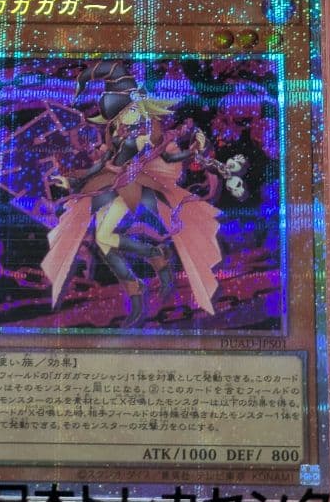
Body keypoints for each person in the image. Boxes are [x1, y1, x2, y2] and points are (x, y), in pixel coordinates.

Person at [42, 60, 223, 325]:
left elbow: (169, 158)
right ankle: (145, 276)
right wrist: (71, 180)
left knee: (103, 236)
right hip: (108, 183)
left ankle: (152, 260)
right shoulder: (115, 131)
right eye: (118, 114)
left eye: (127, 110)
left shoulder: (148, 132)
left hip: (131, 185)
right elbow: (100, 166)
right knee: (104, 244)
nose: (123, 118)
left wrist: (193, 150)